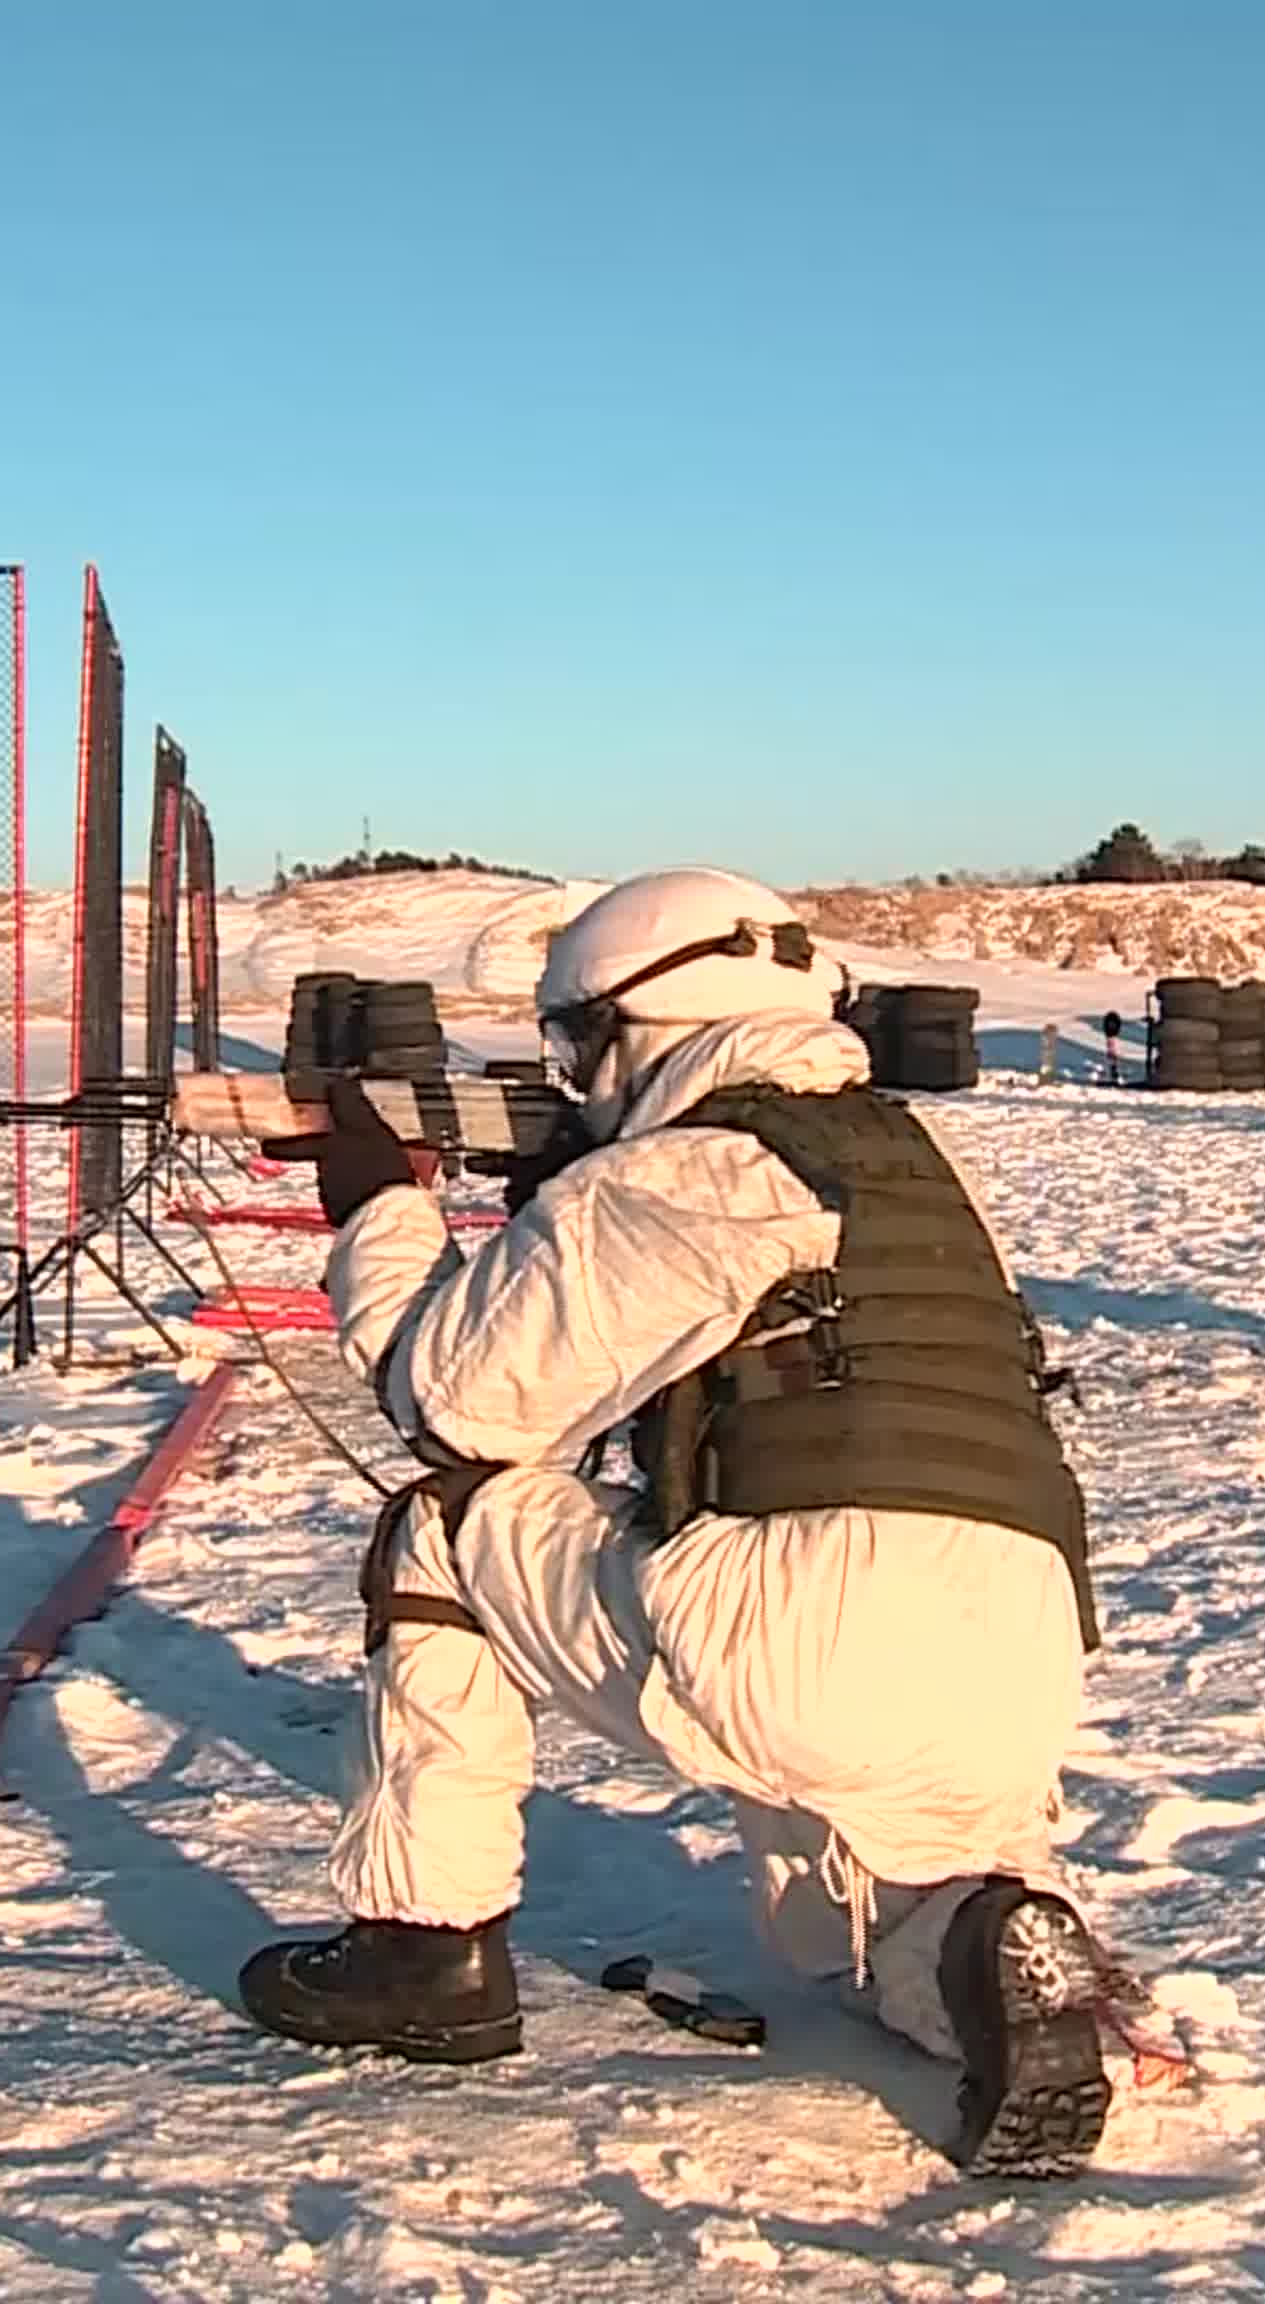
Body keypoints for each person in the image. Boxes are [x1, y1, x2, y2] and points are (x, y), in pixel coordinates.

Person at [236, 867, 1113, 2178]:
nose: (578, 1072)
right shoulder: (907, 1160)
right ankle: (1000, 1955)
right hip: (1019, 1662)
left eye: (581, 1040)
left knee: (445, 1523)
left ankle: (424, 1949)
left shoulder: (692, 1168)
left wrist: (379, 1200)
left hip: (806, 1631)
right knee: (862, 1934)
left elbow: (456, 1407)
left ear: (651, 1020)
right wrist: (563, 1192)